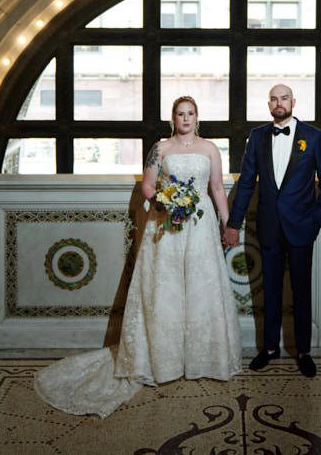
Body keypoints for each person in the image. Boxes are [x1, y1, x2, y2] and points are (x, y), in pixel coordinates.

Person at [34, 96, 242, 417]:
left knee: (202, 290)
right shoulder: (160, 147)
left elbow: (216, 188)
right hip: (166, 227)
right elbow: (147, 185)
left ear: (197, 117)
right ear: (173, 118)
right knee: (165, 290)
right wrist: (166, 200)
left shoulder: (211, 149)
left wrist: (228, 223)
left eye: (190, 114)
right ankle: (165, 361)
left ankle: (203, 360)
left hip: (200, 229)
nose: (185, 119)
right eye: (180, 114)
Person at [222, 84, 321, 378]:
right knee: (270, 291)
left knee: (301, 291)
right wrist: (233, 224)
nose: (279, 103)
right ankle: (269, 349)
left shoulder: (314, 136)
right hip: (269, 226)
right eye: (273, 99)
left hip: (302, 227)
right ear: (269, 104)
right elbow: (246, 183)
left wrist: (317, 218)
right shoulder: (258, 136)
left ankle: (303, 351)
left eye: (284, 98)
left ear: (293, 102)